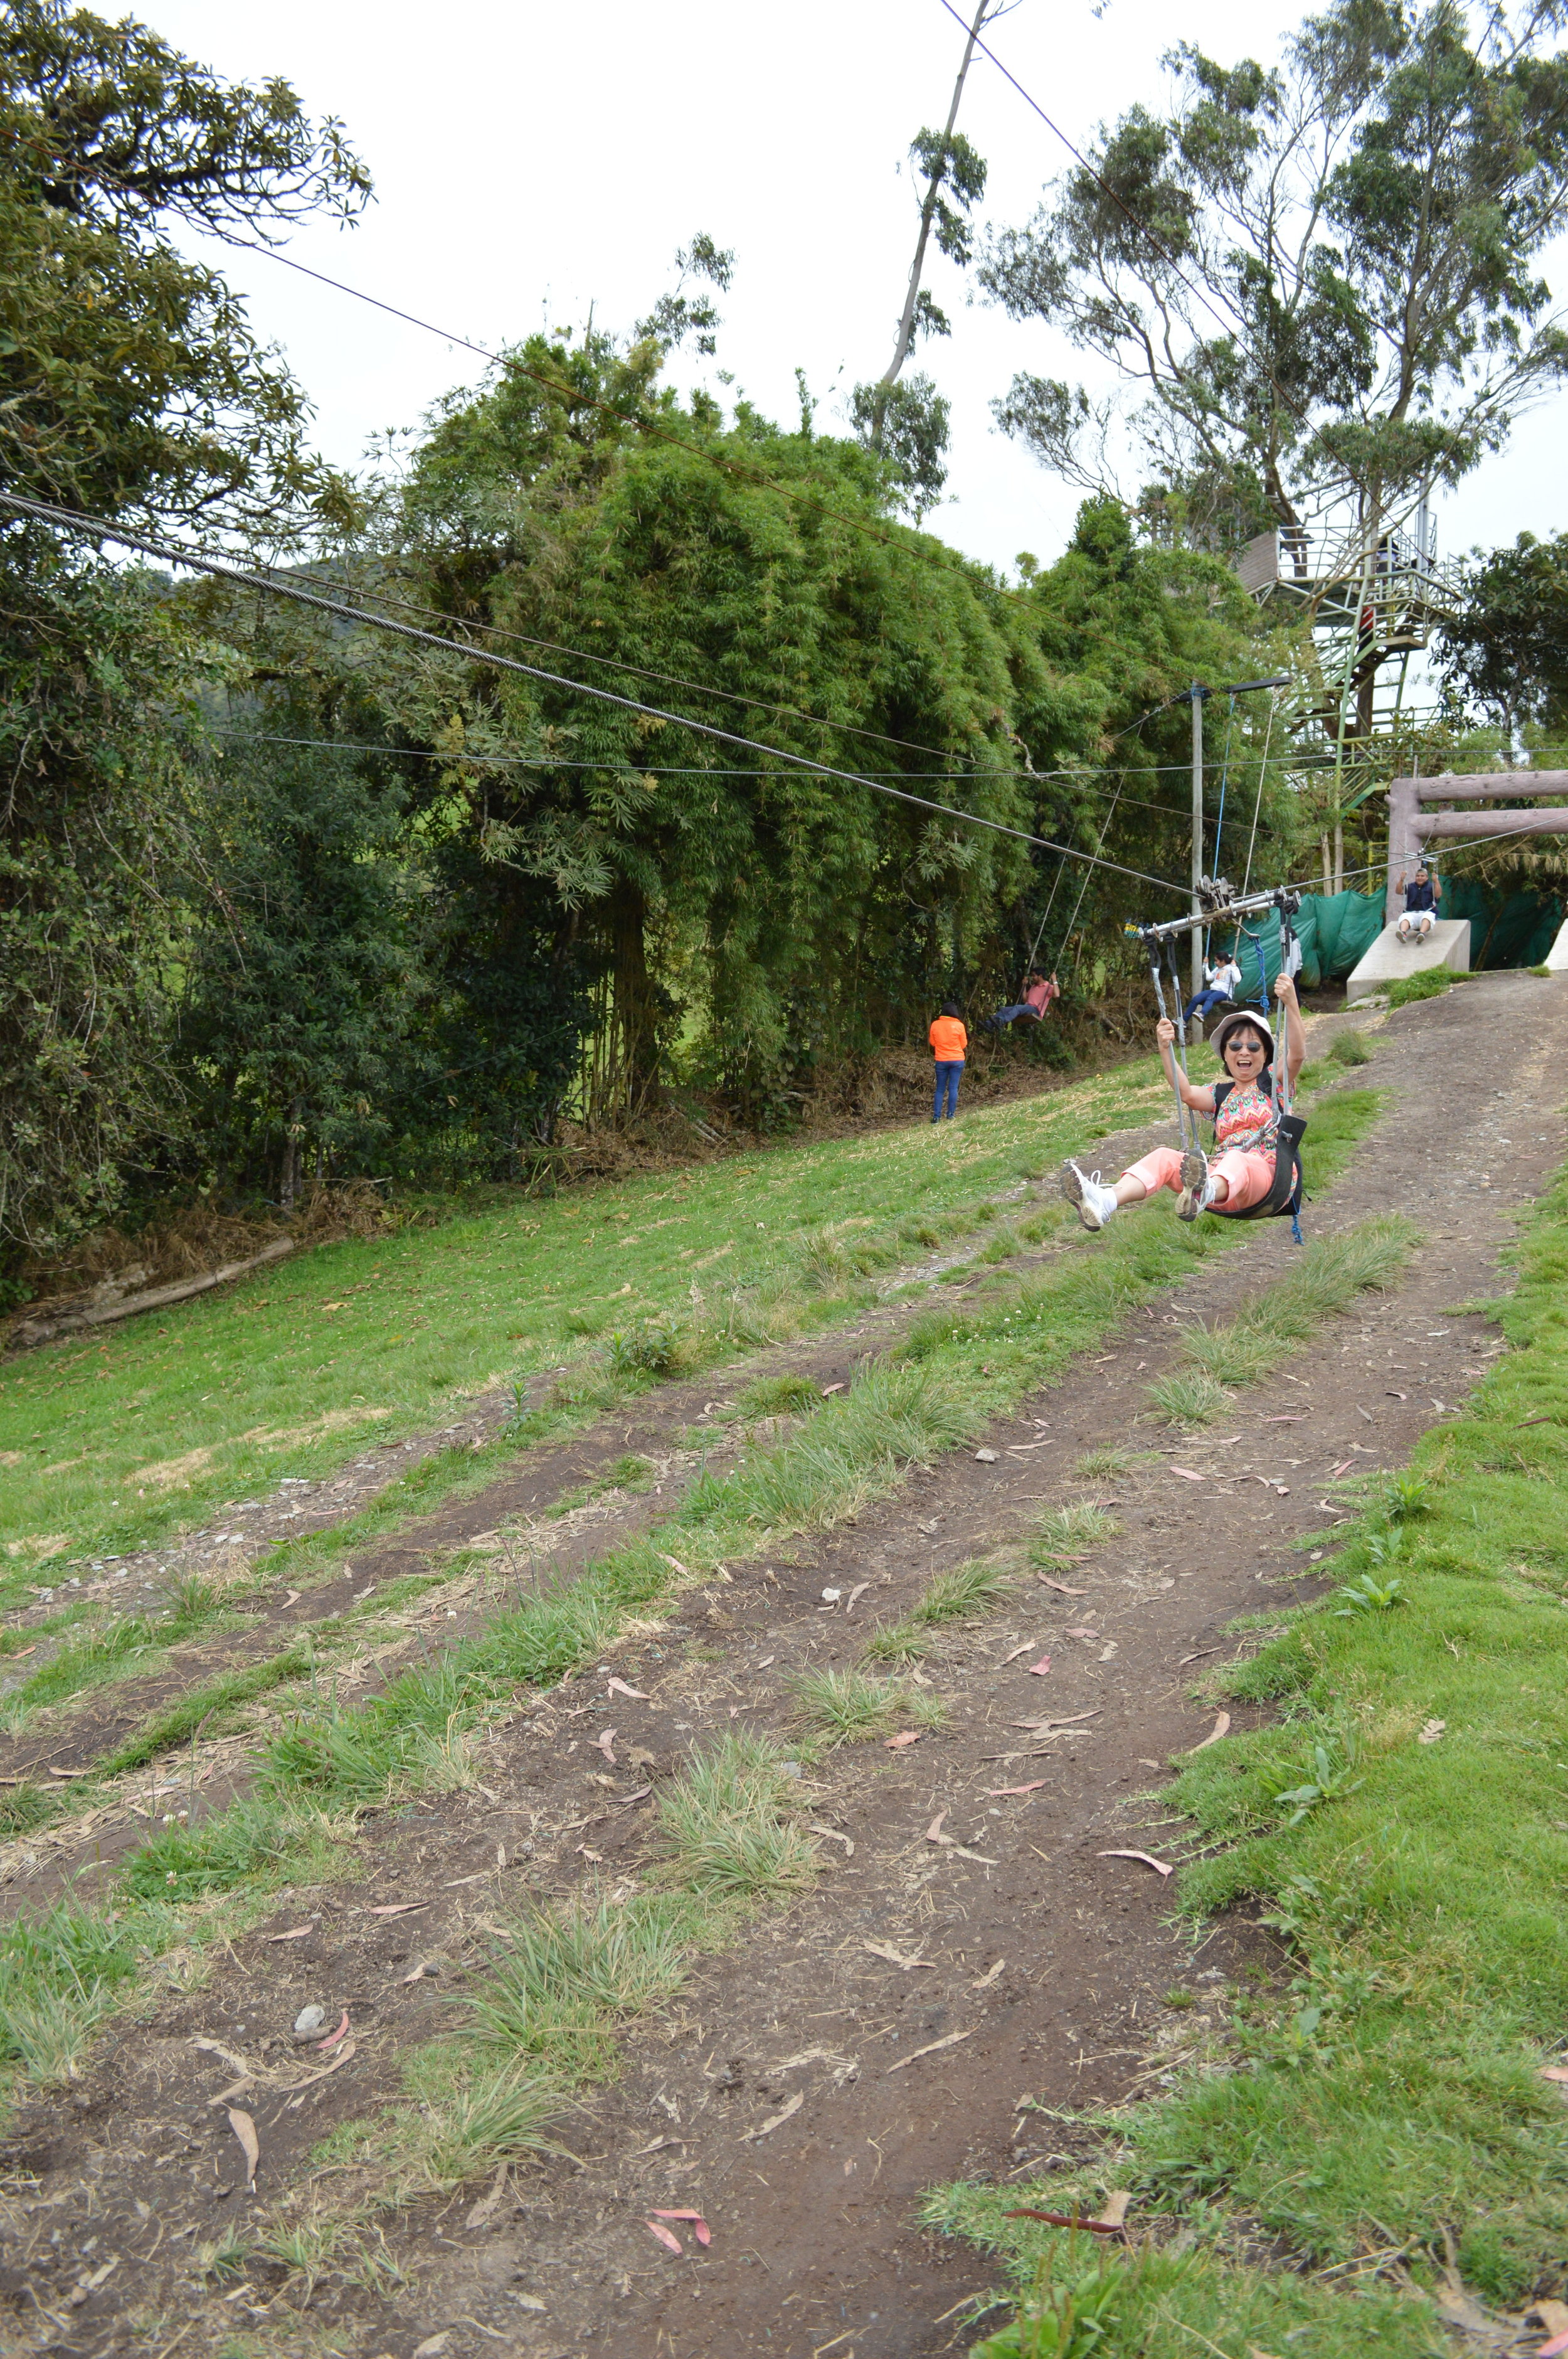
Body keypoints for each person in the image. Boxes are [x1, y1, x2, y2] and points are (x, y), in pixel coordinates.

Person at [1062, 975, 1306, 1229]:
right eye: (1235, 1046)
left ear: (1266, 1054)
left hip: (1267, 1180)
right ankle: (1105, 1201)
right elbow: (1186, 1093)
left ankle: (1205, 1190)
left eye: (1254, 1047)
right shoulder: (1220, 1094)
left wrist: (1291, 1004)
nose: (1244, 1052)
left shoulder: (1272, 1083)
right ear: (1225, 1054)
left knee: (1236, 1158)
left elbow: (1297, 1055)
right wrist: (1165, 1048)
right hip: (1220, 1186)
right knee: (1164, 1157)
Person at [1182, 949, 1243, 1027]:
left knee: (1211, 998)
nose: (1215, 962)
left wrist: (1234, 966)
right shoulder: (1218, 969)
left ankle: (1202, 1014)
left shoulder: (1232, 968)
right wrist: (1205, 965)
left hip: (1225, 993)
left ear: (1223, 961)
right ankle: (1184, 1021)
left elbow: (1237, 979)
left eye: (1216, 961)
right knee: (1196, 999)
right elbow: (1209, 977)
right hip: (1214, 990)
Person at [983, 969, 1060, 1031]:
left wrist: (1055, 980)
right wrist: (1024, 986)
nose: (1032, 978)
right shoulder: (1033, 987)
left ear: (1040, 976)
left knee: (1018, 1008)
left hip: (1035, 1010)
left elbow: (1057, 995)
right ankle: (988, 1024)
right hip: (1027, 1007)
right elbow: (1025, 1000)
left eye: (1034, 976)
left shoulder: (1048, 987)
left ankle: (1001, 1021)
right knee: (1004, 1010)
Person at [929, 999, 967, 1122]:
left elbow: (932, 1042)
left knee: (940, 1088)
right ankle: (950, 1114)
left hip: (941, 1059)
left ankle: (937, 1116)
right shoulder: (960, 1025)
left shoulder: (935, 1024)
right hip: (957, 1060)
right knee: (953, 1088)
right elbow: (964, 1045)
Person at [1395, 863, 1441, 941]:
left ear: (1427, 877)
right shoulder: (1410, 886)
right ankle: (1403, 933)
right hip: (1412, 912)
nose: (1420, 878)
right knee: (1405, 917)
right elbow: (1398, 891)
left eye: (1422, 876)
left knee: (1428, 916)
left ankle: (1421, 934)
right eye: (1418, 876)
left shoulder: (1431, 886)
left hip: (1427, 911)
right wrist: (1402, 880)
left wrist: (1436, 881)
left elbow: (1438, 894)